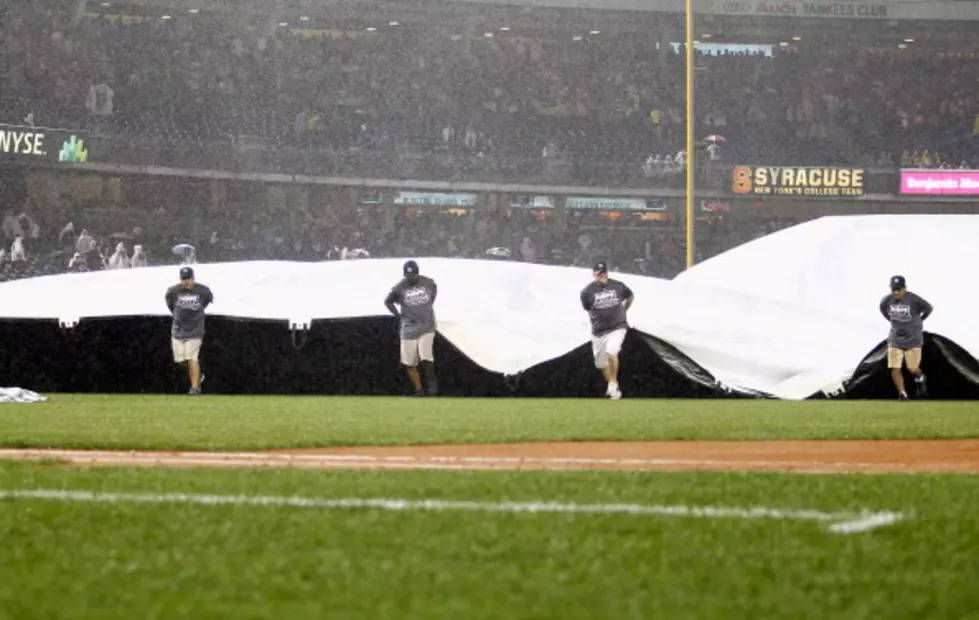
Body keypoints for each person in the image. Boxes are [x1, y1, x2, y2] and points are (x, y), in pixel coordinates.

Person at [580, 260, 634, 399]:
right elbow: (587, 307)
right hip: (599, 332)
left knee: (612, 351)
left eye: (603, 274)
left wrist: (624, 310)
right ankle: (614, 388)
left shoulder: (618, 286)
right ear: (594, 275)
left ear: (607, 273)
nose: (601, 276)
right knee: (601, 364)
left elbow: (630, 295)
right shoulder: (587, 291)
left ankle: (613, 383)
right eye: (598, 275)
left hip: (617, 326)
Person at [385, 260, 439, 396]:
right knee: (410, 362)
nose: (411, 278)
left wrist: (427, 307)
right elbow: (388, 301)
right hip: (408, 328)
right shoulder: (399, 287)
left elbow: (434, 292)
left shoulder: (428, 282)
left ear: (417, 273)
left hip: (426, 325)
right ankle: (419, 389)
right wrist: (398, 315)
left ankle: (432, 387)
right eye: (408, 275)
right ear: (404, 275)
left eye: (413, 275)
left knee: (426, 357)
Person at [879, 275, 933, 401]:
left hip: (913, 338)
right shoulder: (886, 301)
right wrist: (893, 321)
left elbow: (929, 308)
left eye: (899, 289)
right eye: (894, 289)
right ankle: (902, 393)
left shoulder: (914, 299)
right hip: (895, 338)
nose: (896, 292)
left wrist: (920, 320)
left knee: (912, 368)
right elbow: (883, 310)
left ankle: (920, 377)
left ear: (905, 288)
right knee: (895, 367)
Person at [165, 267, 214, 395]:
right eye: (183, 279)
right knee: (180, 361)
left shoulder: (203, 291)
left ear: (193, 278)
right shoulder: (173, 291)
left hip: (195, 330)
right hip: (178, 330)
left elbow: (207, 301)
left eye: (189, 278)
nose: (186, 281)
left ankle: (195, 387)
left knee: (192, 357)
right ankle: (199, 376)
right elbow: (170, 305)